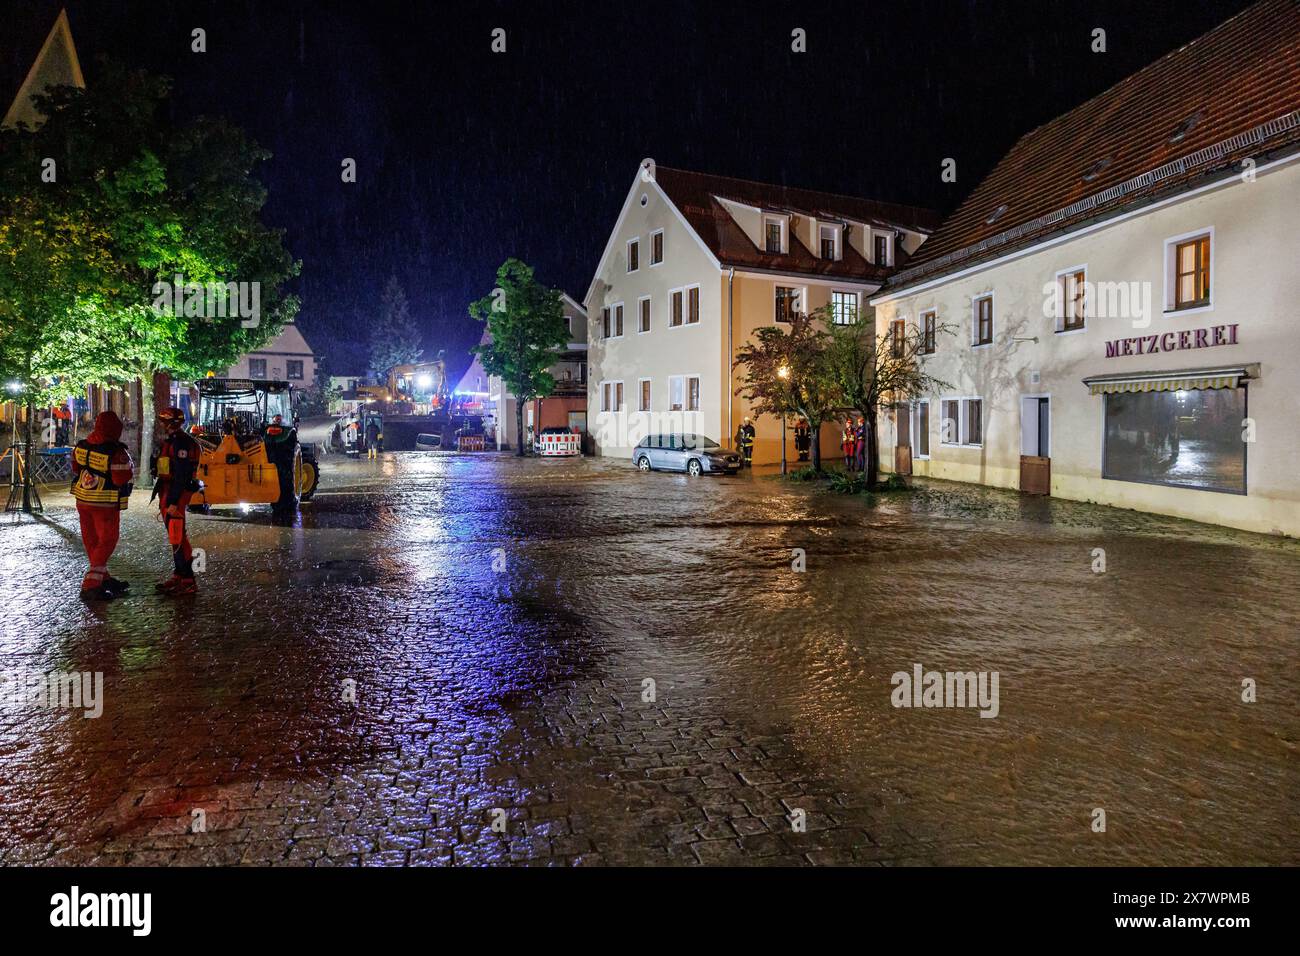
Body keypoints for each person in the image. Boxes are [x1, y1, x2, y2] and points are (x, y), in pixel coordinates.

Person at [70, 411, 135, 601]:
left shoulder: (81, 446)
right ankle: (91, 584)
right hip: (104, 502)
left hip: (82, 499)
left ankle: (103, 578)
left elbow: (75, 468)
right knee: (107, 540)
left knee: (92, 540)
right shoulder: (116, 452)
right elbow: (120, 477)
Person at [152, 407, 201, 596]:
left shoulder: (181, 443)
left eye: (164, 422)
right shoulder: (173, 441)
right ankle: (179, 575)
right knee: (176, 536)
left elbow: (181, 474)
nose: (162, 425)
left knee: (177, 536)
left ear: (171, 423)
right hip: (168, 491)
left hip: (175, 493)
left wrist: (172, 501)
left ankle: (187, 580)